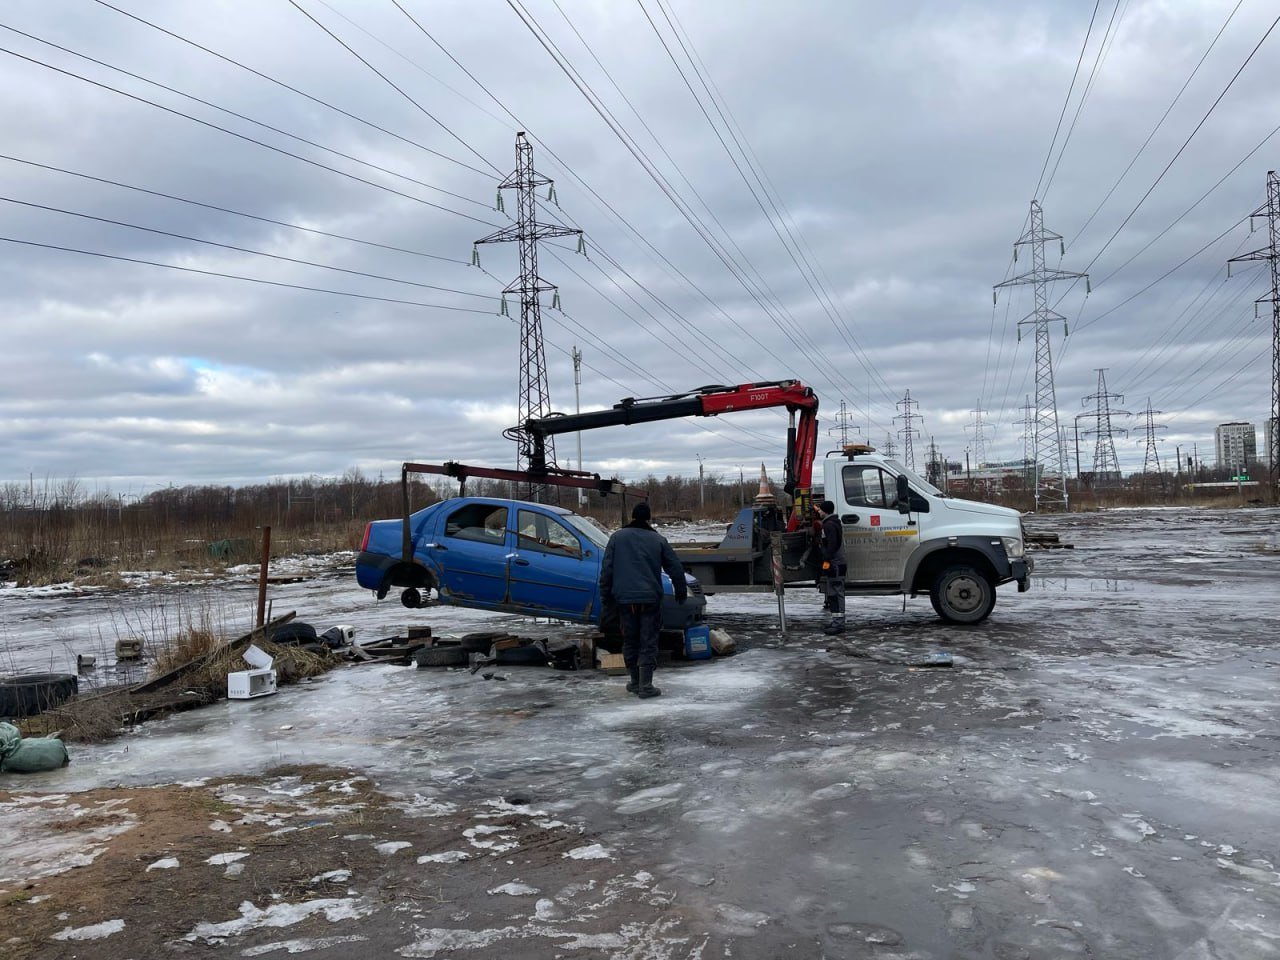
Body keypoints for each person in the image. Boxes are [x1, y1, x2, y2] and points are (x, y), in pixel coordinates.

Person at [599, 502, 687, 698]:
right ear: (648, 518)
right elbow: (675, 567)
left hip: (624, 601)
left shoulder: (616, 538)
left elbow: (606, 571)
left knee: (630, 639)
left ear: (632, 516)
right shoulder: (658, 539)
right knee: (648, 641)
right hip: (649, 599)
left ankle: (635, 681)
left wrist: (606, 597)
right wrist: (680, 590)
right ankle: (646, 686)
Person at [815, 500, 846, 634]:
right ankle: (836, 622)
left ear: (825, 511)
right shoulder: (833, 522)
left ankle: (838, 625)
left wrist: (826, 562)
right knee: (833, 594)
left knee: (836, 593)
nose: (819, 512)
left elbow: (832, 546)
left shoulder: (829, 525)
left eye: (820, 510)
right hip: (836, 563)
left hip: (835, 564)